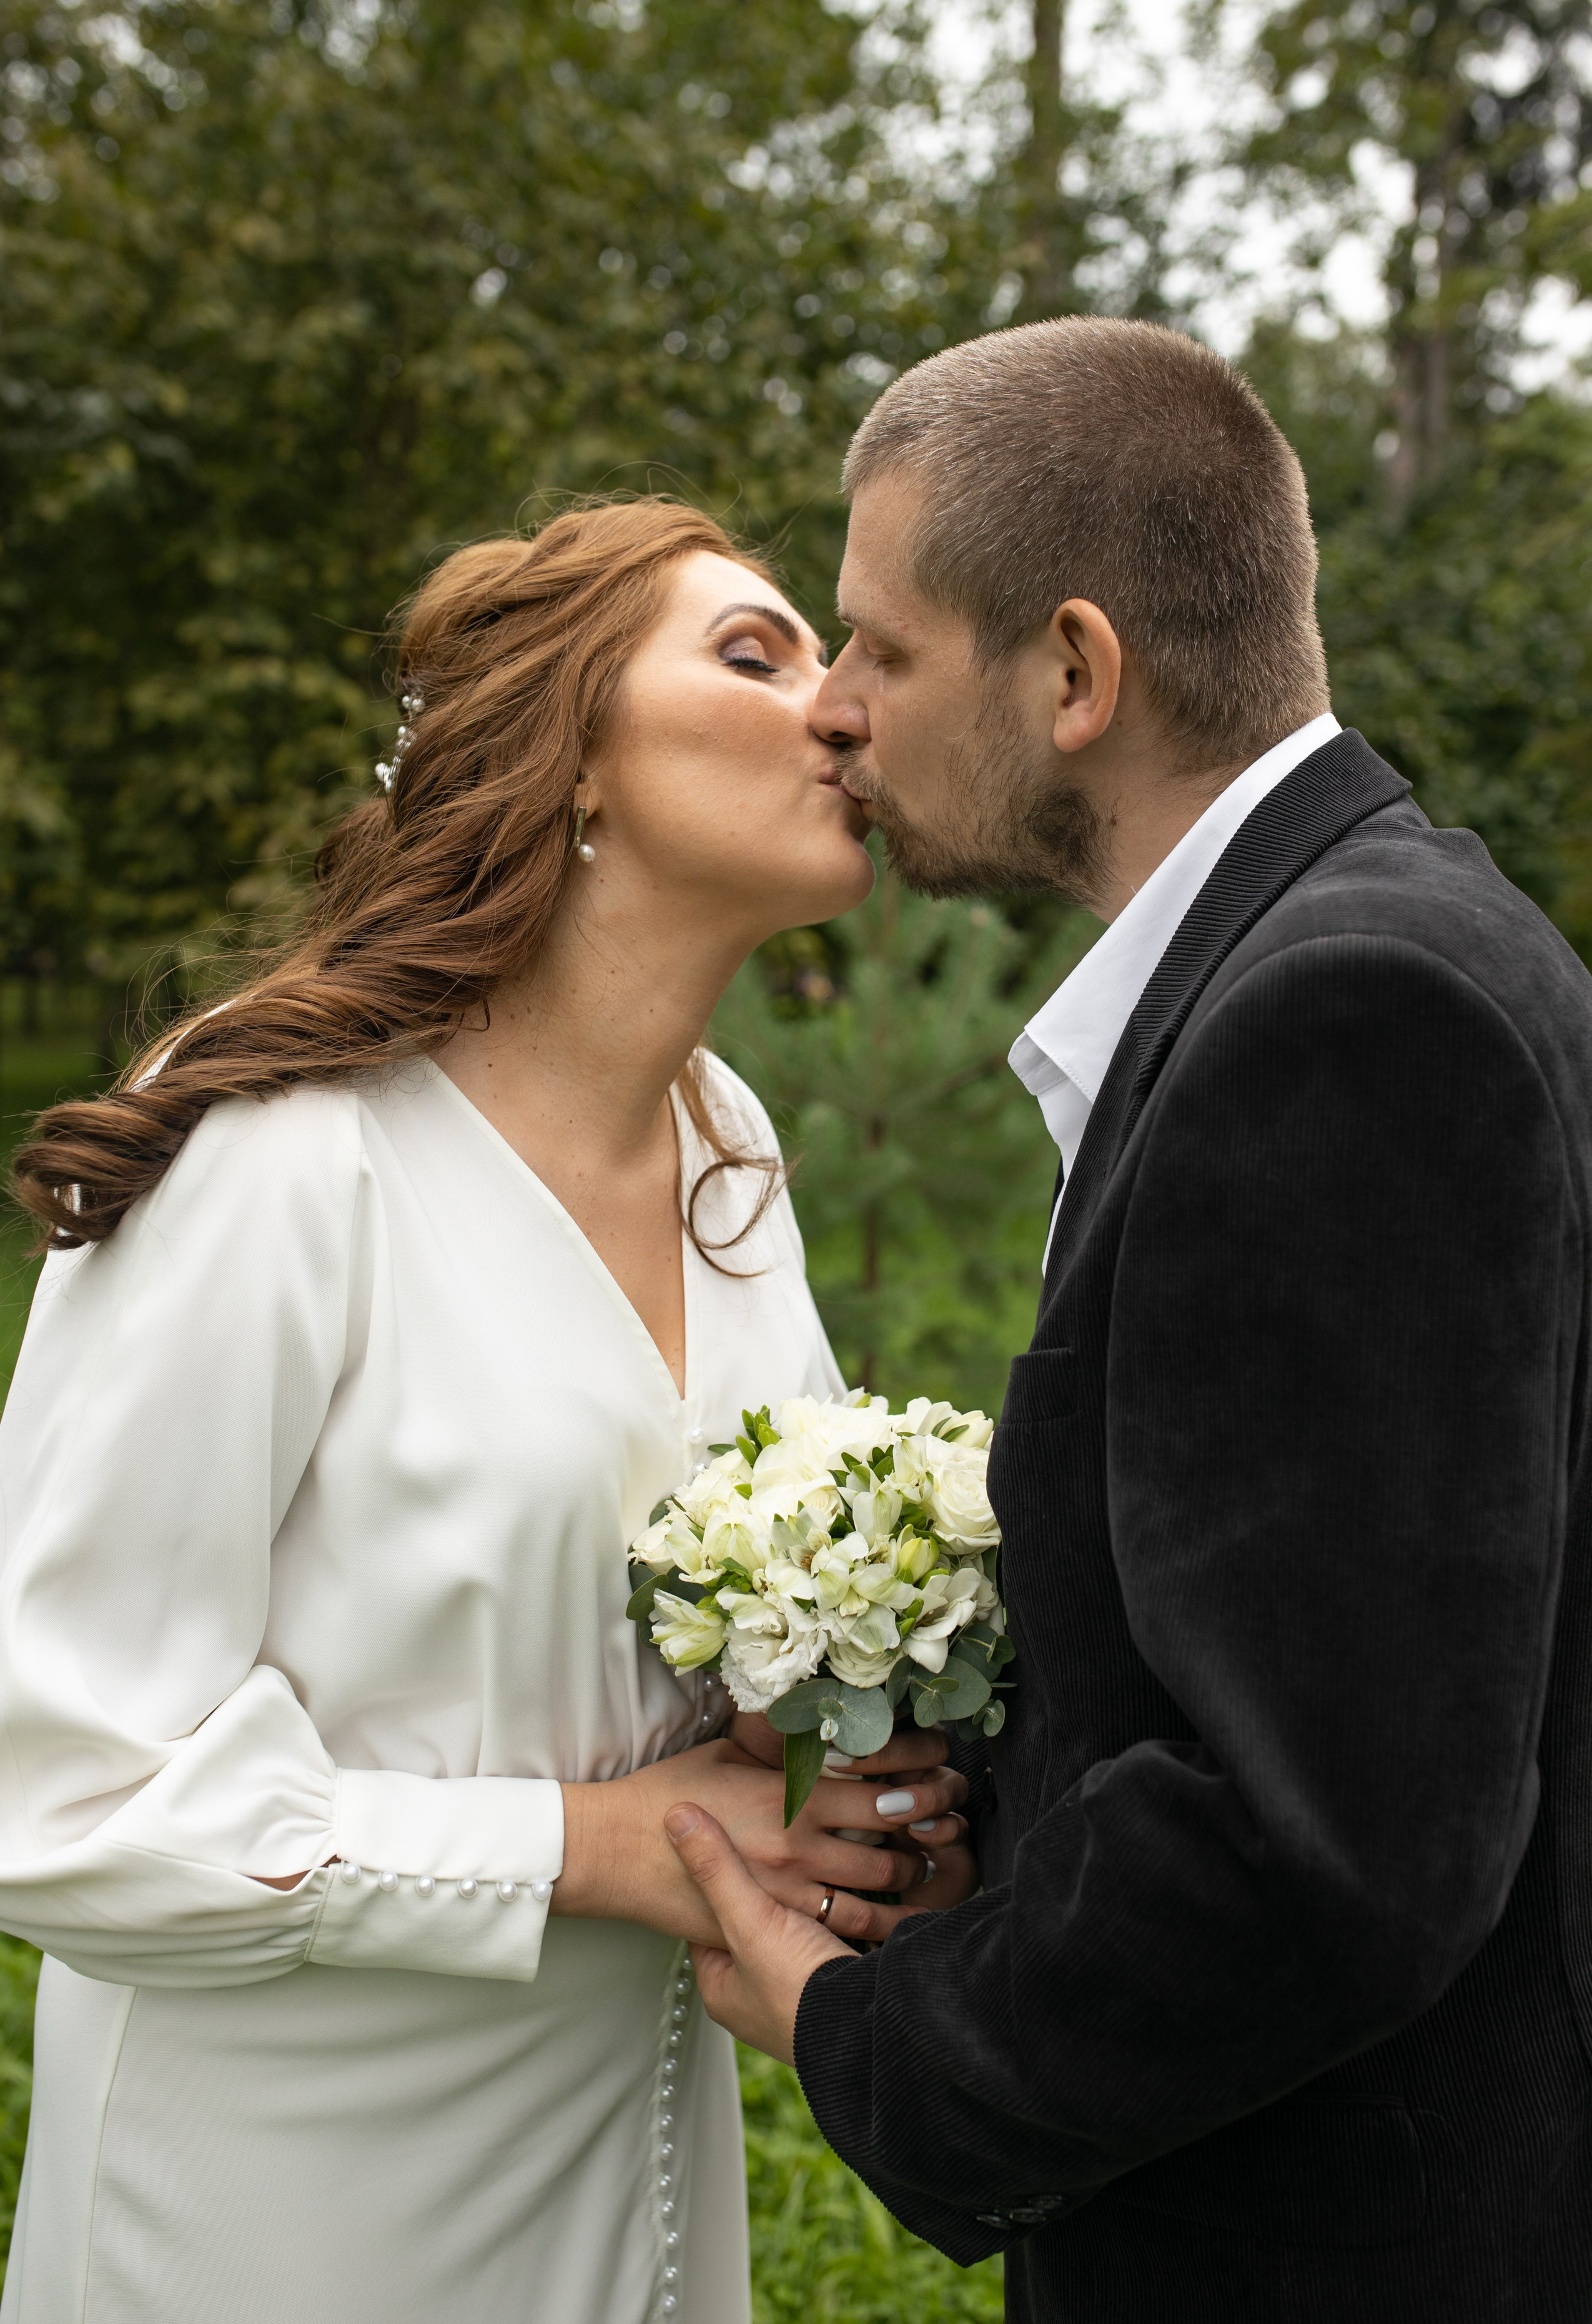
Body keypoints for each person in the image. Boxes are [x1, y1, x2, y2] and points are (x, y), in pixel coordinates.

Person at [667, 318, 1592, 2322]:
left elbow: (1322, 1843)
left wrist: (871, 2032)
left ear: (1076, 672)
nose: (831, 709)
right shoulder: (1379, 940)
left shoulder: (1347, 1024)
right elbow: (1356, 1661)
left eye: (882, 648)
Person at [0, 498, 974, 2324]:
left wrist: (845, 1775)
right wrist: (607, 1849)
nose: (842, 707)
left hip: (624, 2176)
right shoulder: (278, 1162)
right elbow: (58, 1796)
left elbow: (721, 1645)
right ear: (572, 758)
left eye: (832, 659)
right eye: (754, 654)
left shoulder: (727, 1141)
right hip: (287, 2212)